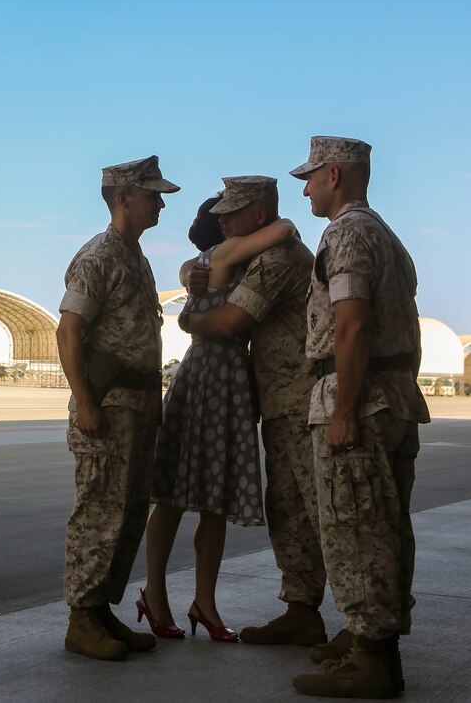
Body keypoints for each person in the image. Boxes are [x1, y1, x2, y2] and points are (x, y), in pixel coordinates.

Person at [288, 136, 429, 699]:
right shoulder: (386, 235)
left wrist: (344, 410)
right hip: (392, 397)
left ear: (336, 175)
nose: (305, 188)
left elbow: (351, 325)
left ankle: (373, 656)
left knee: (356, 528)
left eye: (312, 177)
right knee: (387, 528)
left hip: (358, 403)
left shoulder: (345, 233)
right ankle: (368, 638)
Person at [142, 177, 293, 643]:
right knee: (192, 500)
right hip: (215, 377)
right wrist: (274, 217)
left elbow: (194, 271)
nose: (230, 223)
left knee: (199, 499)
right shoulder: (223, 256)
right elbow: (283, 229)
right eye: (224, 217)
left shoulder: (207, 263)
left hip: (212, 378)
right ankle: (179, 597)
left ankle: (181, 599)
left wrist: (188, 273)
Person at [179, 181, 325, 648]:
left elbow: (228, 323)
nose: (223, 219)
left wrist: (188, 319)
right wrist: (191, 274)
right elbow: (202, 262)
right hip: (283, 402)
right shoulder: (255, 255)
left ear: (259, 216)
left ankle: (363, 627)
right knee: (291, 510)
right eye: (220, 212)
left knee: (320, 512)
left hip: (300, 401)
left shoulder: (278, 259)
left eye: (233, 212)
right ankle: (301, 611)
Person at [57, 155, 179, 662]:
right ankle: (81, 618)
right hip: (106, 408)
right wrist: (85, 402)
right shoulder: (99, 256)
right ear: (123, 197)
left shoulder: (137, 257)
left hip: (137, 409)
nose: (160, 203)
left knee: (128, 514)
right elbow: (68, 330)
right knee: (99, 513)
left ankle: (103, 609)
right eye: (152, 195)